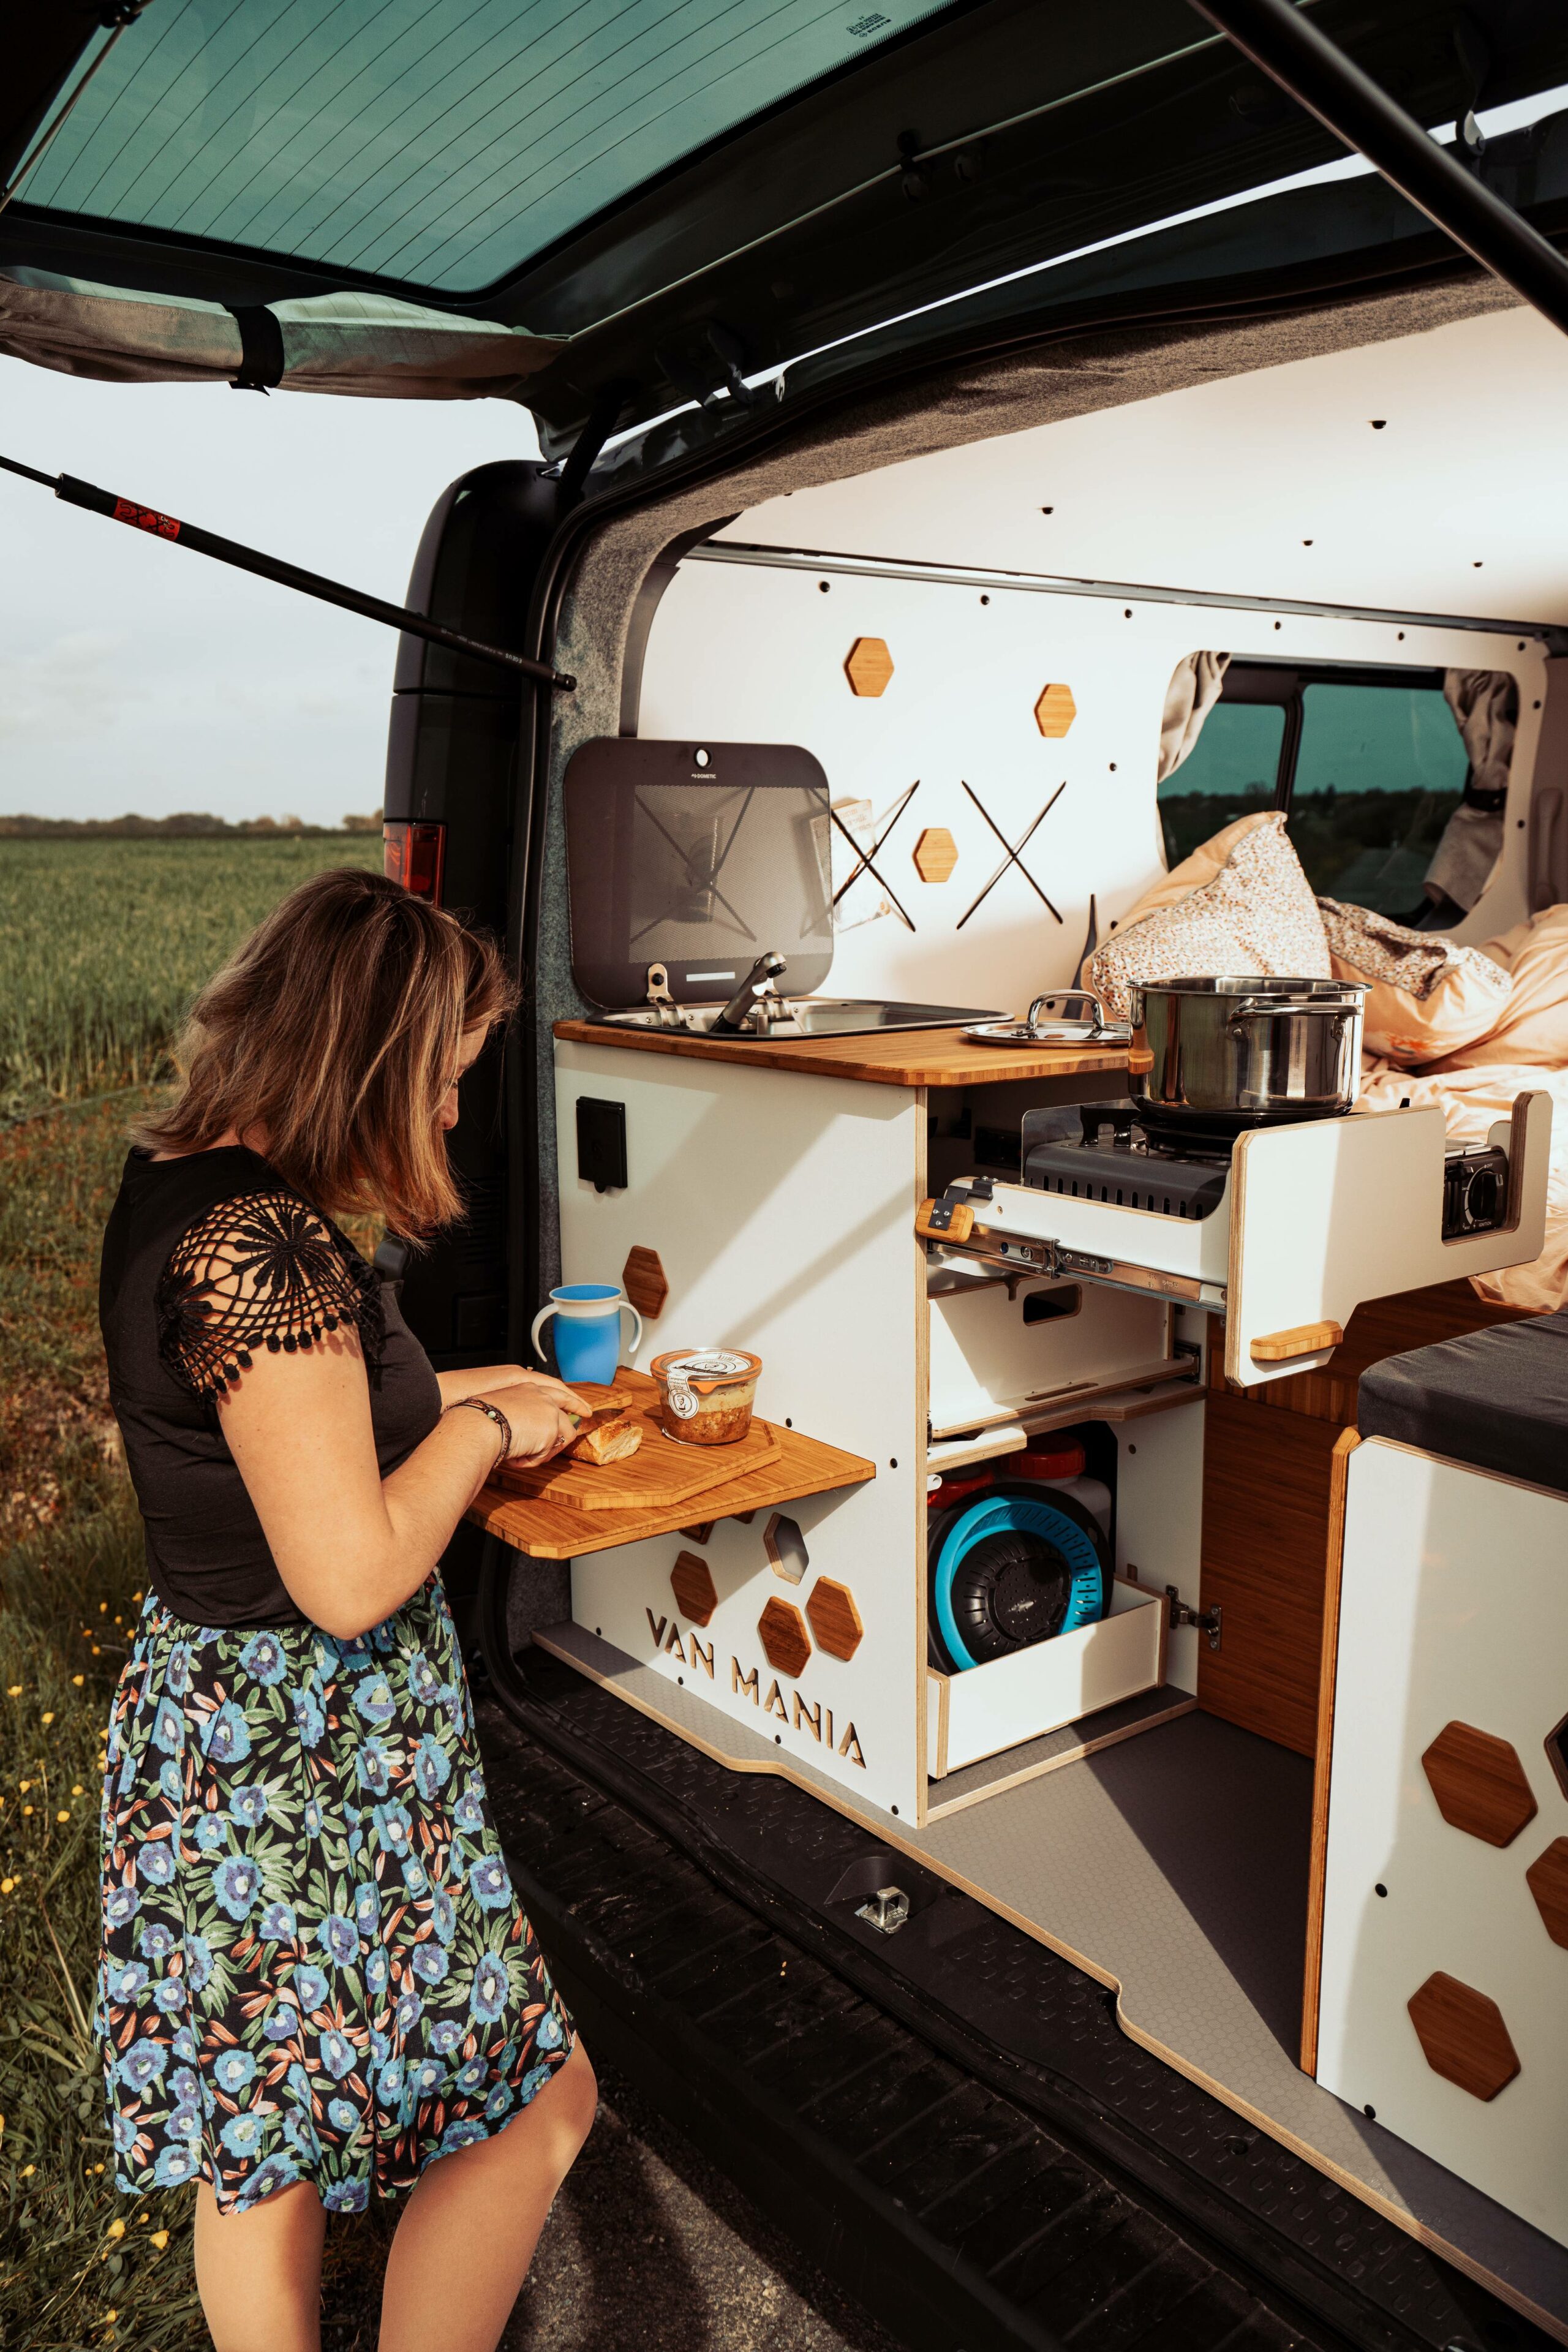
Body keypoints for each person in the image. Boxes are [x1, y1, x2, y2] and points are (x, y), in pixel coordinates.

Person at [96, 867, 598, 2352]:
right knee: (531, 2106)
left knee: (265, 2145)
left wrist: (492, 1391)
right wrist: (484, 1435)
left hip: (216, 1731)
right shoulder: (264, 1251)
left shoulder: (186, 1186)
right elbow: (350, 1574)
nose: (449, 1114)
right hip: (306, 1761)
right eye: (443, 1079)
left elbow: (296, 1423)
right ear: (369, 1060)